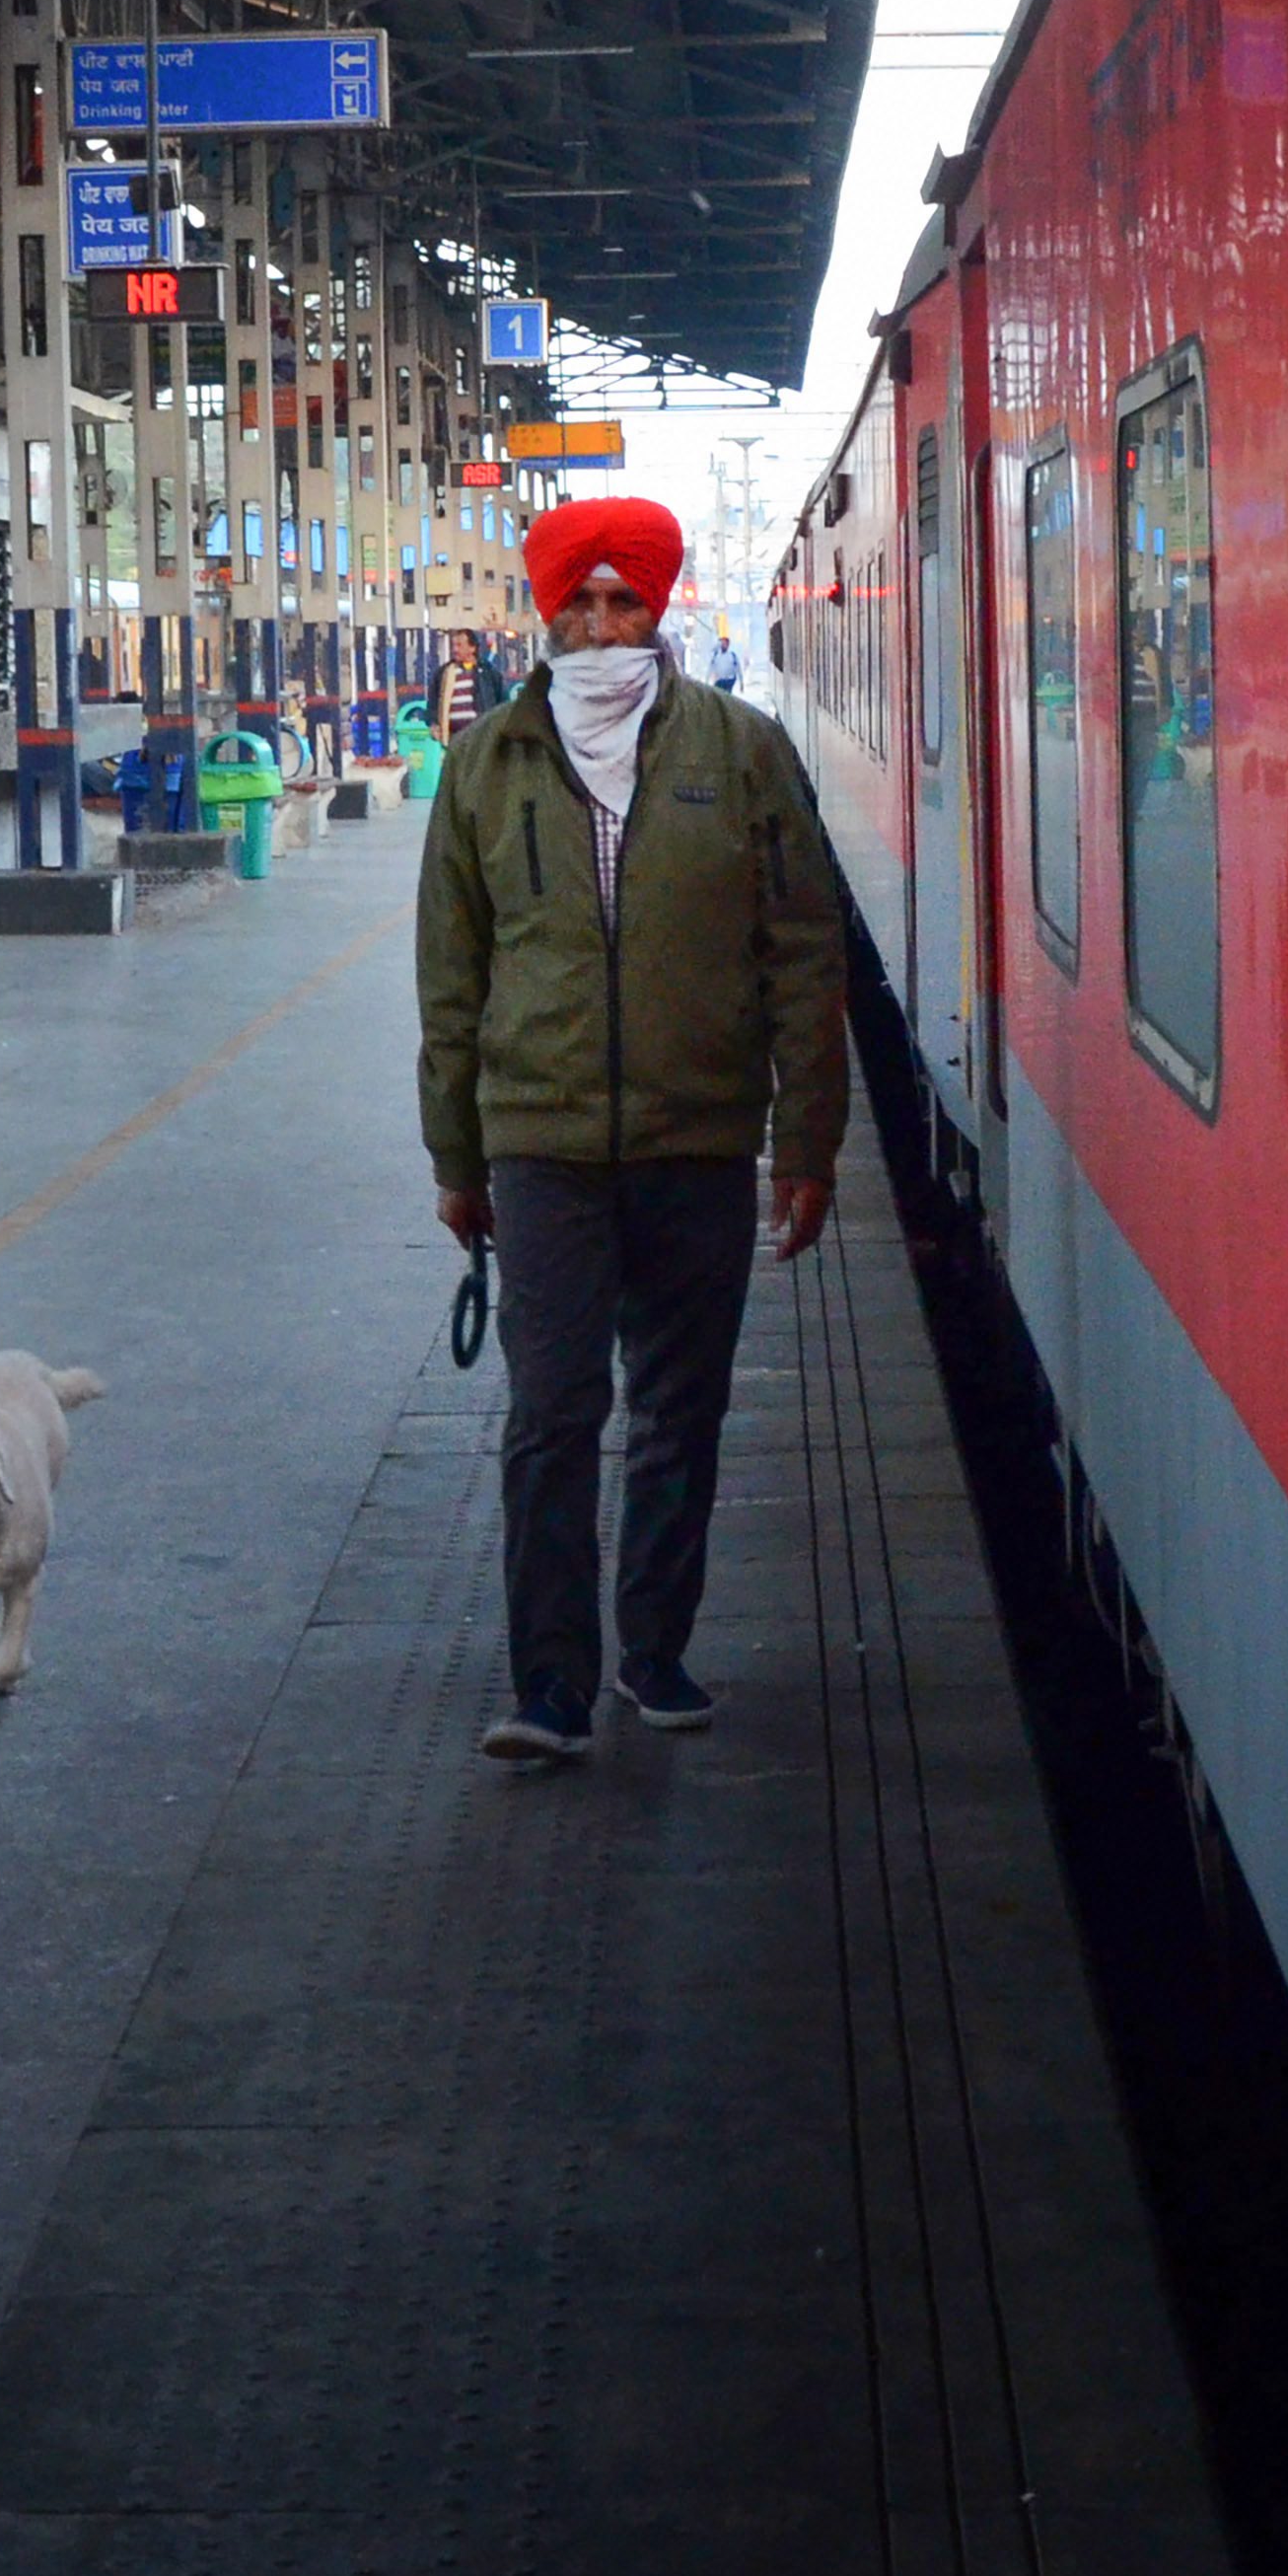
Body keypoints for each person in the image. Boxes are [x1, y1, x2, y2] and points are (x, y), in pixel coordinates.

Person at [415, 494, 850, 1762]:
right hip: (540, 1139)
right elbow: (453, 972)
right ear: (547, 611)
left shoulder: (744, 749)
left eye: (624, 602)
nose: (602, 626)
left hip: (698, 1134)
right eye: (581, 603)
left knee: (680, 1405)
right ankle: (550, 1682)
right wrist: (456, 1154)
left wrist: (808, 1141)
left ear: (657, 608)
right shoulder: (488, 764)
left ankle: (654, 1650)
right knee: (552, 1409)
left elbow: (801, 949)